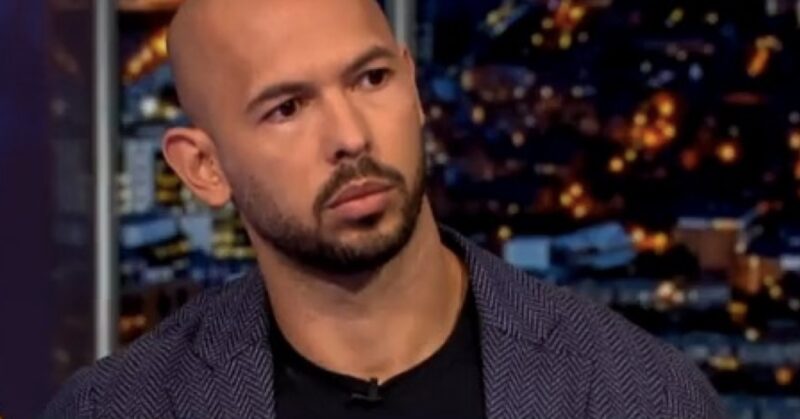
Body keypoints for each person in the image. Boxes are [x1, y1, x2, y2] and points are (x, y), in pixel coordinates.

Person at [44, 0, 725, 417]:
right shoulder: (117, 409)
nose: (350, 136)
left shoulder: (641, 395)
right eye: (287, 108)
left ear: (415, 89)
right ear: (204, 167)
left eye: (371, 79)